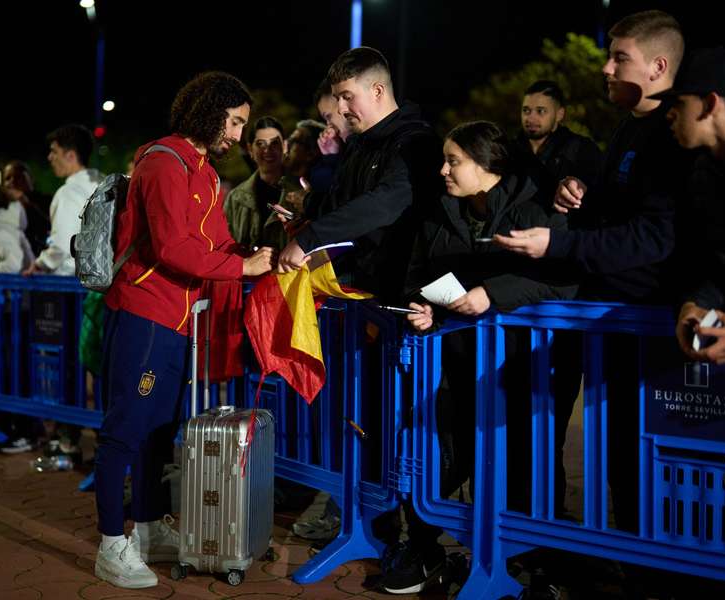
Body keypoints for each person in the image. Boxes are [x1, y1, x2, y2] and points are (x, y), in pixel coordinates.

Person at [494, 10, 690, 539]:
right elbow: (618, 210)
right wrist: (580, 195)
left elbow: (654, 236)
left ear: (658, 66)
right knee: (618, 452)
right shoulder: (628, 126)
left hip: (652, 324)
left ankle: (659, 566)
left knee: (651, 455)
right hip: (610, 317)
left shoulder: (676, 131)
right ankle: (622, 554)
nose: (605, 68)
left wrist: (559, 240)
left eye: (619, 58)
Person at [93, 71, 274, 589]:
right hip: (144, 312)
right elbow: (172, 248)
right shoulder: (163, 161)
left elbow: (217, 247)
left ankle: (147, 530)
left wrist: (256, 254)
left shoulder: (208, 174)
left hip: (178, 320)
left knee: (158, 431)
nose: (238, 135)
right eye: (235, 121)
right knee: (124, 430)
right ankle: (110, 544)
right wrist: (243, 269)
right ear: (209, 111)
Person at [394, 121, 575, 595]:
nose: (443, 170)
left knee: (526, 462)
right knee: (459, 455)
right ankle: (456, 552)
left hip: (522, 367)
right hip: (455, 365)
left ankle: (536, 564)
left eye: (454, 161)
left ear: (488, 164)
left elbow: (563, 279)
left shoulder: (535, 207)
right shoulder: (438, 210)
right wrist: (424, 308)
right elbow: (419, 273)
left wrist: (491, 294)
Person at [278, 46, 440, 305]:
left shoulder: (416, 143)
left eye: (347, 96)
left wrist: (308, 239)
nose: (341, 108)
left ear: (377, 91)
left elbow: (381, 204)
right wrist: (306, 212)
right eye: (337, 98)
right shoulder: (357, 145)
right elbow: (341, 202)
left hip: (399, 298)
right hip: (355, 291)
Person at [658, 48, 725, 365]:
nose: (669, 114)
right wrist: (694, 304)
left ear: (710, 104)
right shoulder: (704, 172)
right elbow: (718, 263)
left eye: (678, 103)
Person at [23, 124, 102, 276]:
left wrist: (40, 264)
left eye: (54, 151)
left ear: (71, 156)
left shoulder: (69, 192)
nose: (50, 157)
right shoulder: (105, 185)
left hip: (71, 282)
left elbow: (62, 245)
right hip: (104, 282)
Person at [515, 80, 602, 200]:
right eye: (526, 110)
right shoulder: (510, 151)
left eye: (540, 111)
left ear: (559, 114)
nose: (531, 117)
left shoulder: (581, 150)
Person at [223, 116, 289, 248]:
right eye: (260, 144)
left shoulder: (300, 193)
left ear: (285, 146)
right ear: (250, 149)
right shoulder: (236, 198)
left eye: (274, 143)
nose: (267, 150)